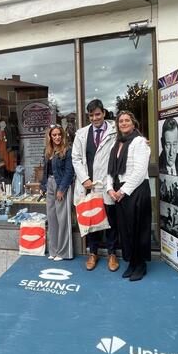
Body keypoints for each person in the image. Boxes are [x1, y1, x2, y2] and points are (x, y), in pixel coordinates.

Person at [72, 99, 119, 272]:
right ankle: (93, 252)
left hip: (107, 183)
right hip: (89, 185)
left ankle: (112, 253)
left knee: (111, 220)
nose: (94, 118)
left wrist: (142, 141)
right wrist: (84, 179)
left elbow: (131, 137)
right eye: (91, 115)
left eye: (97, 114)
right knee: (92, 219)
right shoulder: (82, 134)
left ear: (104, 113)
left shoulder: (115, 130)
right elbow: (75, 158)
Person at [107, 111, 151, 281]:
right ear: (118, 125)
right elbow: (111, 170)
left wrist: (122, 191)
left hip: (136, 190)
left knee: (138, 229)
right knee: (125, 230)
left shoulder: (139, 142)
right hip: (119, 192)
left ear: (133, 124)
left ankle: (141, 266)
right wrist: (110, 188)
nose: (123, 123)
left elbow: (140, 171)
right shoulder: (116, 143)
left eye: (127, 120)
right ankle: (132, 263)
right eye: (121, 121)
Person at [40, 124, 75, 260]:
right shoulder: (47, 150)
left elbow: (69, 172)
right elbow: (45, 171)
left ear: (63, 135)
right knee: (52, 218)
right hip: (49, 184)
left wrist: (62, 189)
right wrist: (43, 187)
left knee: (63, 219)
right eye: (54, 135)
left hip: (61, 185)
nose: (57, 137)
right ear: (50, 136)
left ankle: (63, 252)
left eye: (59, 134)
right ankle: (54, 251)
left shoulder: (67, 150)